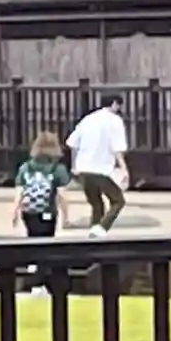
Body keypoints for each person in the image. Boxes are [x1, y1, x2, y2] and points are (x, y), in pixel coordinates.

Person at [66, 93, 129, 237]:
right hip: (101, 169)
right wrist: (124, 169)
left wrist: (74, 165)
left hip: (83, 169)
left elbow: (72, 143)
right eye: (119, 105)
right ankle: (102, 228)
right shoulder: (115, 121)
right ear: (114, 103)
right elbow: (117, 148)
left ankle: (94, 233)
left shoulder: (88, 119)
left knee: (96, 203)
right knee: (118, 201)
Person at [12, 131, 70, 238]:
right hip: (48, 211)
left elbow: (19, 192)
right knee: (47, 238)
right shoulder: (58, 169)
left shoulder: (26, 167)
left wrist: (14, 211)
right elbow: (62, 195)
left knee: (32, 236)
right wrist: (65, 215)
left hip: (29, 212)